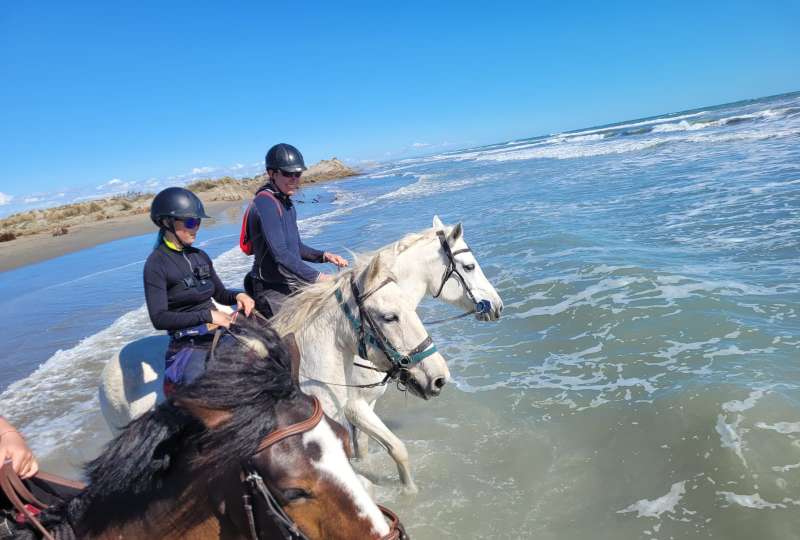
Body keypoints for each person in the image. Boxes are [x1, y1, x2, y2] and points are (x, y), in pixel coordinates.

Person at [144, 187, 255, 396]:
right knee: (201, 396)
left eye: (198, 222)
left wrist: (239, 295)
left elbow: (220, 293)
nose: (196, 228)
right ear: (167, 222)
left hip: (221, 329)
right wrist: (207, 316)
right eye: (190, 222)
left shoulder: (199, 255)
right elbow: (158, 319)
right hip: (188, 342)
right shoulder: (156, 264)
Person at [243, 143, 348, 316]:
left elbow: (296, 247)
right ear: (272, 173)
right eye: (287, 174)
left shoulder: (286, 203)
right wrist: (318, 278)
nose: (294, 179)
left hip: (291, 283)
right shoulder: (265, 203)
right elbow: (281, 254)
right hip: (271, 290)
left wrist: (324, 256)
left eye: (297, 174)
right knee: (288, 342)